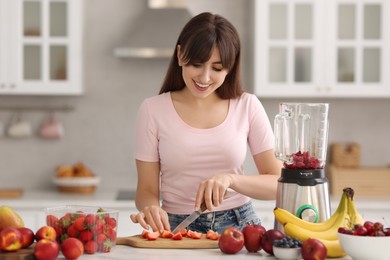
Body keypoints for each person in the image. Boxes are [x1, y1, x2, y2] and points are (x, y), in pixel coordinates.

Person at [130, 12, 282, 234]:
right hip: (176, 227)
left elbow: (278, 183)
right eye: (197, 64)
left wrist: (230, 180)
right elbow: (146, 190)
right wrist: (151, 207)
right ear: (181, 55)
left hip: (240, 226)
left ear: (230, 67)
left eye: (217, 68)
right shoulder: (152, 110)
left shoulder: (247, 105)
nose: (205, 77)